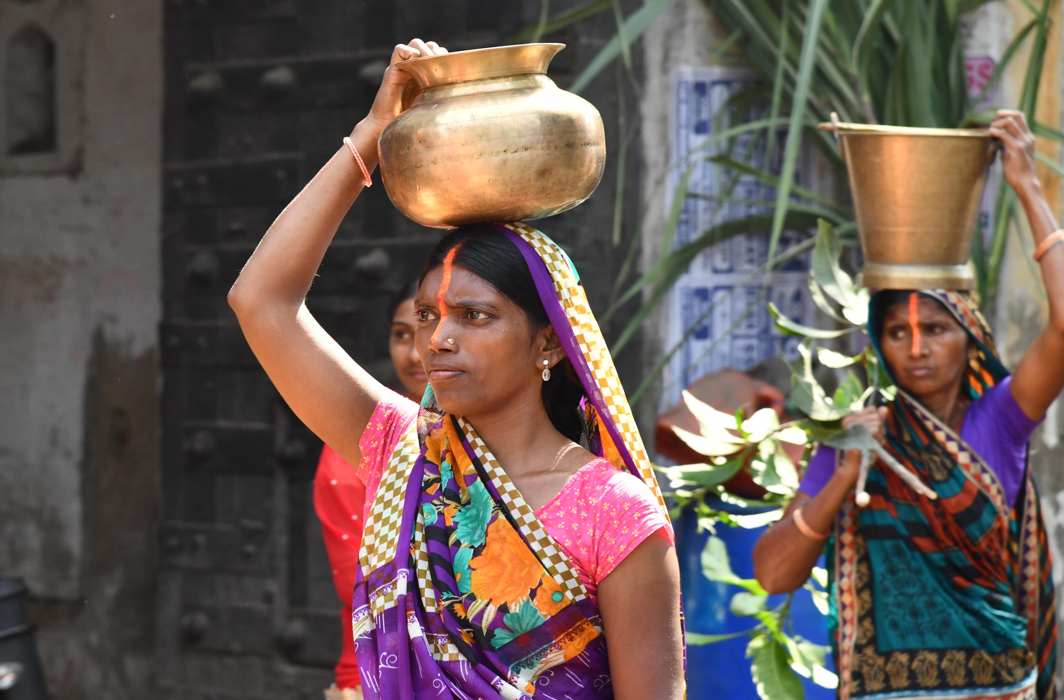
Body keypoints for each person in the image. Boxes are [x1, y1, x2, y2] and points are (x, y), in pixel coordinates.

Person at [227, 38, 684, 699]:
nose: (435, 341)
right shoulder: (402, 455)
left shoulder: (616, 515)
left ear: (549, 343)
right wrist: (369, 138)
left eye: (473, 317)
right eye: (427, 316)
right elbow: (260, 301)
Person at [753, 110, 1062, 700]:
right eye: (898, 333)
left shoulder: (1000, 417)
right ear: (879, 342)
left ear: (969, 335)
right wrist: (846, 473)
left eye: (937, 330)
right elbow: (772, 574)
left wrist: (1026, 185)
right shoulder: (852, 437)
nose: (917, 349)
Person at [314, 280, 425, 700]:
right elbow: (365, 586)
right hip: (377, 678)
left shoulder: (499, 436)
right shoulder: (360, 441)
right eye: (401, 334)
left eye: (429, 329)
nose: (415, 353)